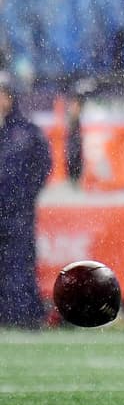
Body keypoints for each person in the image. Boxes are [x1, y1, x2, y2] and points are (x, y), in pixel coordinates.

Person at [0, 72, 52, 328]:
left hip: (17, 212)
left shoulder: (26, 133)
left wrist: (23, 196)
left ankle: (20, 315)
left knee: (19, 264)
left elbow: (42, 167)